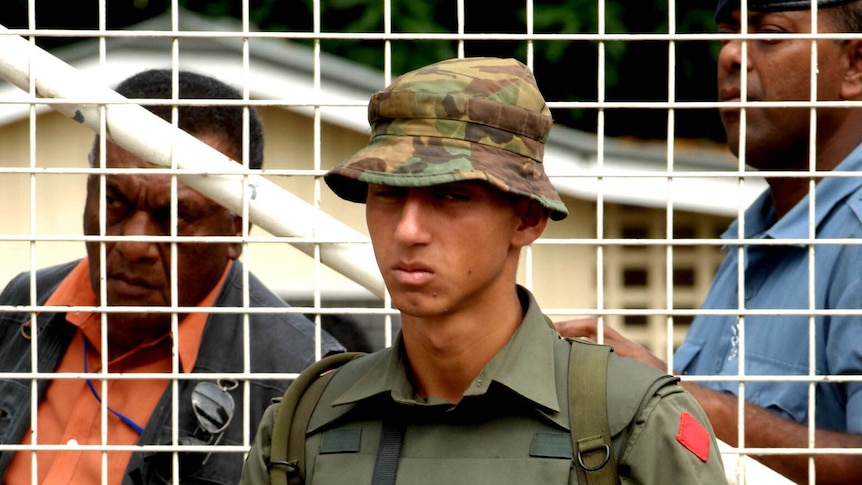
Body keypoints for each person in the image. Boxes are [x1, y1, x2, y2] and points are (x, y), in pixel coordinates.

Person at [240, 57, 727, 484]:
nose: (408, 230)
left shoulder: (629, 419)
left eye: (450, 196)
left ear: (527, 217)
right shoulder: (304, 424)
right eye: (386, 194)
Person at [557, 0, 862, 483]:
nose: (732, 56)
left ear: (855, 67)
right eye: (728, 32)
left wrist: (664, 391)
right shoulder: (753, 235)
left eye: (770, 32)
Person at [0, 69, 345, 485]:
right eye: (113, 200)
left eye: (175, 217)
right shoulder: (23, 306)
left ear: (237, 229)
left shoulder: (302, 381)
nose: (133, 243)